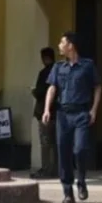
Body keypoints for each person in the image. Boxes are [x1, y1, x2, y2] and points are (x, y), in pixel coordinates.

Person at [42, 31, 101, 203]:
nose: (59, 46)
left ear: (71, 46)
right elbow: (52, 88)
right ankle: (67, 191)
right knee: (64, 152)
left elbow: (98, 87)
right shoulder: (58, 67)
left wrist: (94, 110)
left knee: (80, 149)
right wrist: (47, 109)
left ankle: (81, 180)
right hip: (63, 114)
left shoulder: (87, 66)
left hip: (82, 112)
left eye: (62, 43)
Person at [31, 47, 57, 179]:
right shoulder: (59, 71)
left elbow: (41, 91)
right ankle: (56, 168)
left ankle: (46, 169)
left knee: (45, 143)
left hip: (44, 112)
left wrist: (34, 91)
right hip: (58, 112)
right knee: (56, 143)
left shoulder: (44, 73)